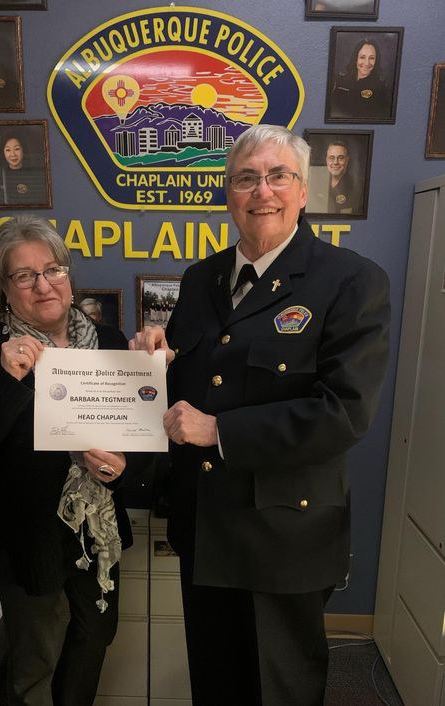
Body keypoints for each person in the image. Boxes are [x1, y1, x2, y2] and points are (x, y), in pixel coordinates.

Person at [130, 124, 390, 706]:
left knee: (279, 689)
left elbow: (343, 411)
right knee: (216, 684)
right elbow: (192, 387)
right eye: (246, 178)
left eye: (278, 176)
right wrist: (157, 361)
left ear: (303, 191)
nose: (262, 191)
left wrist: (219, 430)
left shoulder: (350, 280)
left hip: (284, 534)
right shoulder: (200, 279)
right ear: (229, 195)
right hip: (207, 525)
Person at [0, 216, 139, 706]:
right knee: (34, 663)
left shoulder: (110, 343)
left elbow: (138, 441)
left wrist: (124, 465)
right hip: (25, 539)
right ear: (6, 289)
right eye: (24, 275)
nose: (43, 284)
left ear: (69, 276)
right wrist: (8, 380)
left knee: (93, 642)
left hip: (95, 534)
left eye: (53, 269)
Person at [331, 37, 389, 119]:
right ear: (355, 58)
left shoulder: (380, 87)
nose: (367, 63)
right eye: (362, 57)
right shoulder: (340, 80)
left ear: (376, 60)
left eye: (371, 58)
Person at [307, 140, 362, 215]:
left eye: (341, 158)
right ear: (327, 160)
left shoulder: (357, 189)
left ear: (347, 160)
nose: (335, 162)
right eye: (331, 158)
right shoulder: (315, 184)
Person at [0, 133, 48, 206]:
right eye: (8, 150)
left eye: (16, 149)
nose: (13, 154)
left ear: (23, 150)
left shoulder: (37, 176)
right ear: (3, 153)